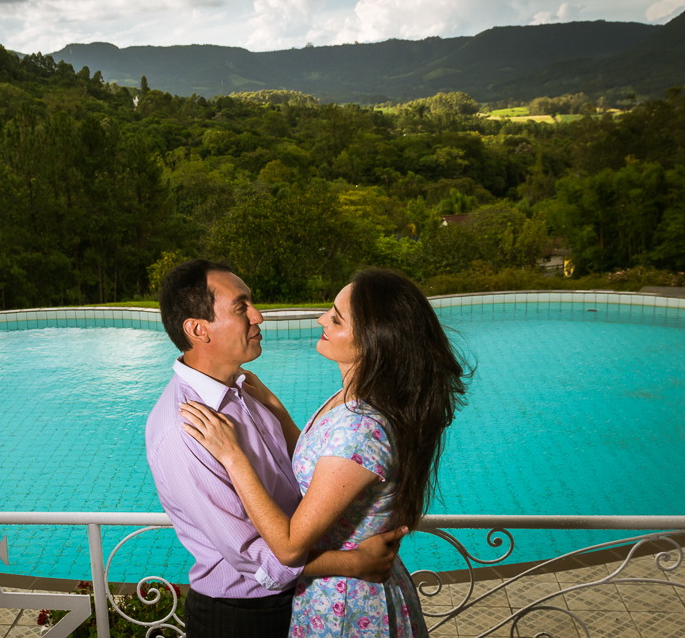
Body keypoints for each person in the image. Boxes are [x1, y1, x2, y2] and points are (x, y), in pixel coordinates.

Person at [180, 268, 469, 638]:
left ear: (371, 339)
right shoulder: (352, 400)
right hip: (333, 593)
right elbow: (326, 462)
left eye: (336, 317)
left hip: (349, 606)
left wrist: (232, 455)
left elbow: (286, 548)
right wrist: (275, 408)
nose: (321, 319)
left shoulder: (361, 428)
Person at [146, 260, 409, 638]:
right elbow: (255, 558)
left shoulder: (245, 390)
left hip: (300, 599)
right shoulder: (184, 429)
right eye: (241, 307)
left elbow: (306, 471)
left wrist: (280, 416)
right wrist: (352, 563)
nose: (259, 316)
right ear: (198, 329)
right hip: (243, 616)